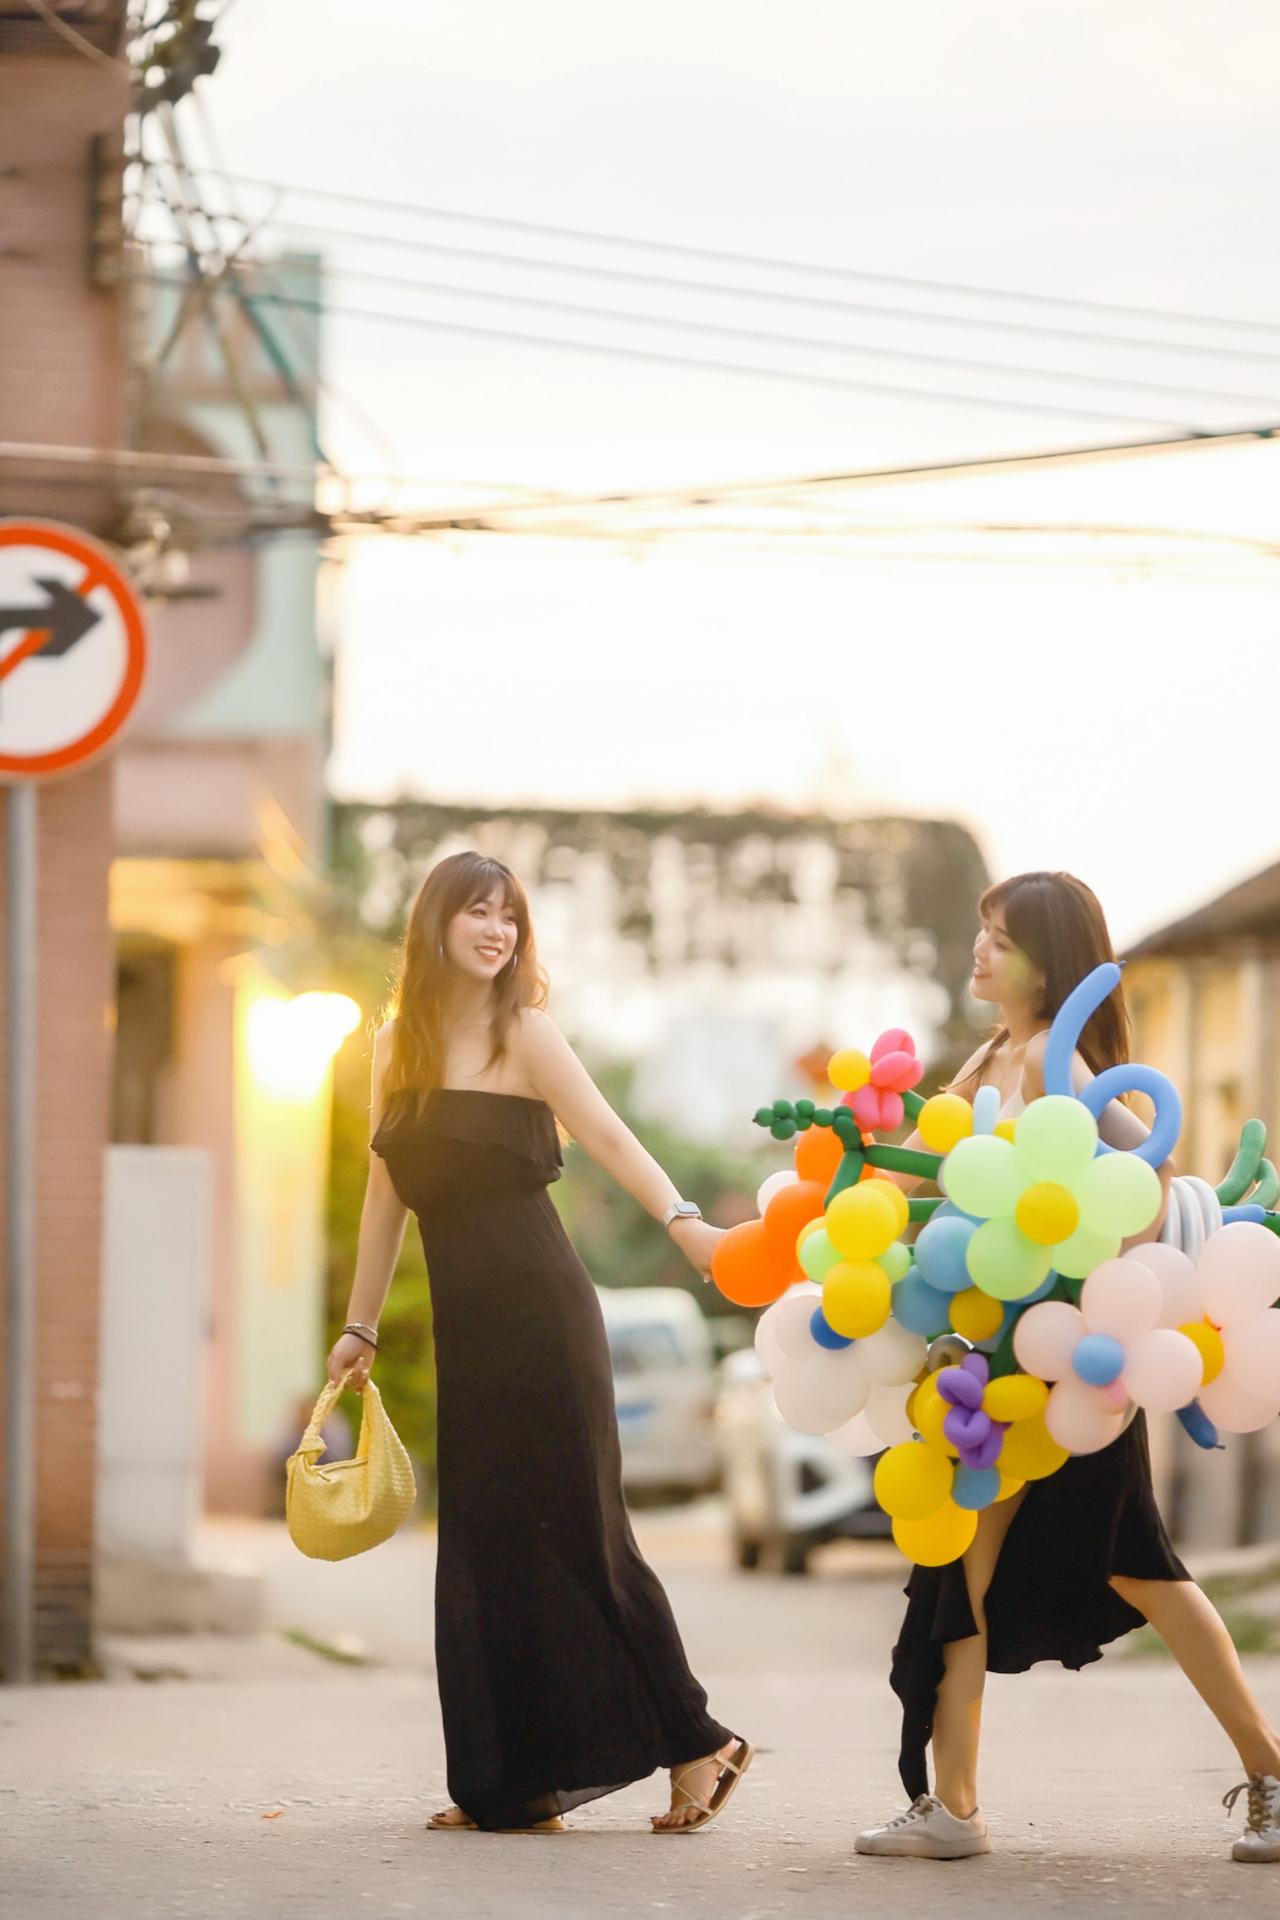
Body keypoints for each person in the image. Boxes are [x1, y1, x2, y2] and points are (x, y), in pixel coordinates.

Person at [854, 870, 1280, 1865]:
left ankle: (1267, 1769)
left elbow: (1153, 1183)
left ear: (1049, 960)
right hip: (984, 1367)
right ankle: (951, 1805)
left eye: (997, 937)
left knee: (1138, 1568)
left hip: (1072, 1367)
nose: (978, 950)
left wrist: (1087, 1283)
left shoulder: (1060, 1062)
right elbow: (920, 1173)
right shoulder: (992, 1056)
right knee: (958, 1566)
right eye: (979, 931)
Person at [326, 849, 754, 1835]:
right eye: (477, 913)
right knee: (486, 1548)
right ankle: (512, 1783)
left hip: (545, 1319)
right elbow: (385, 1193)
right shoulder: (395, 1045)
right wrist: (358, 1324)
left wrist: (685, 1222)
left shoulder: (527, 1036)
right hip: (469, 1334)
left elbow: (605, 1133)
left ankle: (700, 1742)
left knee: (582, 1536)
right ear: (433, 926)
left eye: (509, 916)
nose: (496, 931)